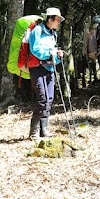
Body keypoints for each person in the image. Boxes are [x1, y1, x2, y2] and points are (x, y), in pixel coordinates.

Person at [27, 7, 65, 139]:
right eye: (57, 20)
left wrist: (58, 56)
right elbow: (35, 49)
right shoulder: (37, 31)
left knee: (49, 99)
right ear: (50, 19)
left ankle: (44, 129)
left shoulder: (53, 33)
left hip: (50, 69)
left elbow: (54, 55)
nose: (59, 22)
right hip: (37, 68)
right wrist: (50, 54)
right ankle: (34, 132)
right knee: (42, 99)